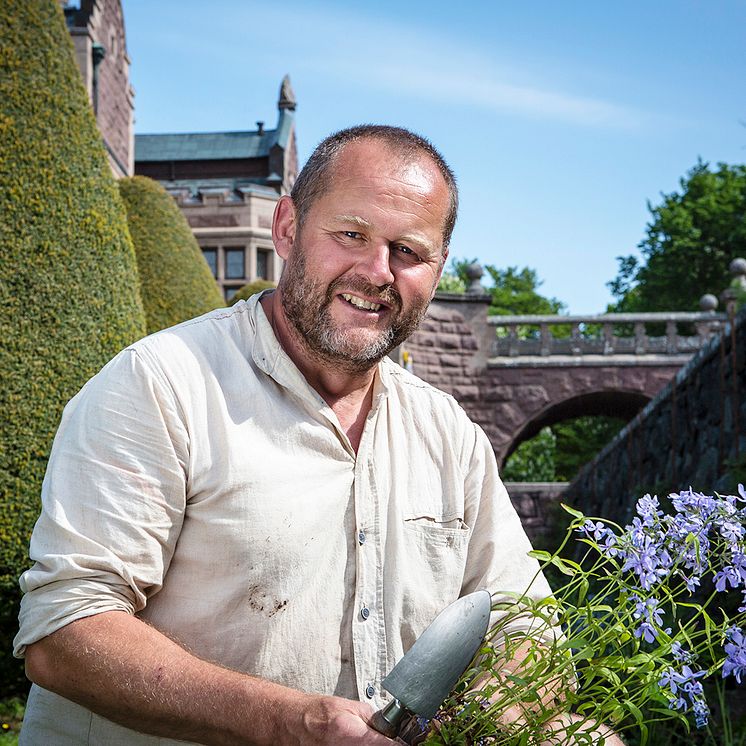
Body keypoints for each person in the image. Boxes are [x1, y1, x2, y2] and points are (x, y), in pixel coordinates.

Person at [13, 125, 605, 745]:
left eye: (408, 251)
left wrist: (499, 713)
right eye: (351, 235)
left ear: (438, 268)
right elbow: (65, 633)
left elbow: (526, 632)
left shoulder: (449, 435)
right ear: (287, 227)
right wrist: (292, 723)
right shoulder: (161, 385)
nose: (378, 272)